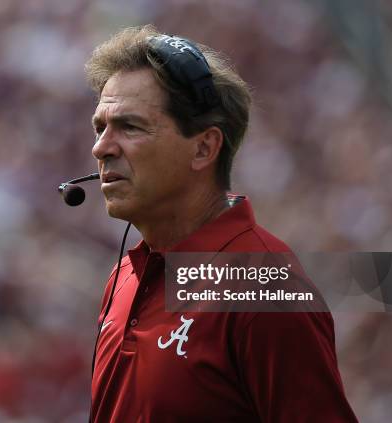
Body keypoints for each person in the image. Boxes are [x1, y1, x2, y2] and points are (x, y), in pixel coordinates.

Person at [85, 25, 358, 422]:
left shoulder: (264, 286)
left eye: (130, 126)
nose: (101, 147)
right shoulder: (125, 274)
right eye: (100, 127)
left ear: (204, 148)